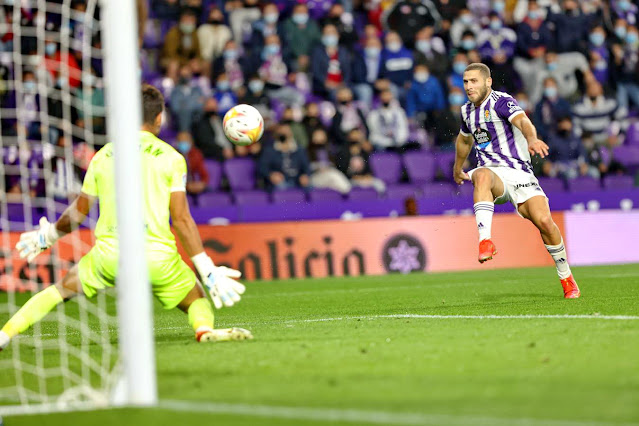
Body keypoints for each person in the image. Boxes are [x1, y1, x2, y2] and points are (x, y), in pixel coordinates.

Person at [0, 85, 252, 351]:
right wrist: (207, 269)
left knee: (59, 290)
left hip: (109, 257)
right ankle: (203, 330)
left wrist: (48, 235)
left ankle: (4, 335)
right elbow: (181, 220)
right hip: (157, 258)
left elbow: (78, 212)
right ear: (159, 118)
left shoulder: (104, 155)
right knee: (196, 297)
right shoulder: (171, 157)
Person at [452, 63, 580, 299]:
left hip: (519, 172)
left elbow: (523, 122)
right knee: (480, 174)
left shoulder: (502, 101)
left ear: (488, 82)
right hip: (493, 175)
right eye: (466, 82)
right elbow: (464, 141)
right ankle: (485, 241)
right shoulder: (466, 112)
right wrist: (458, 168)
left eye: (474, 81)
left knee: (545, 222)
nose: (469, 87)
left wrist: (532, 139)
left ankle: (567, 278)